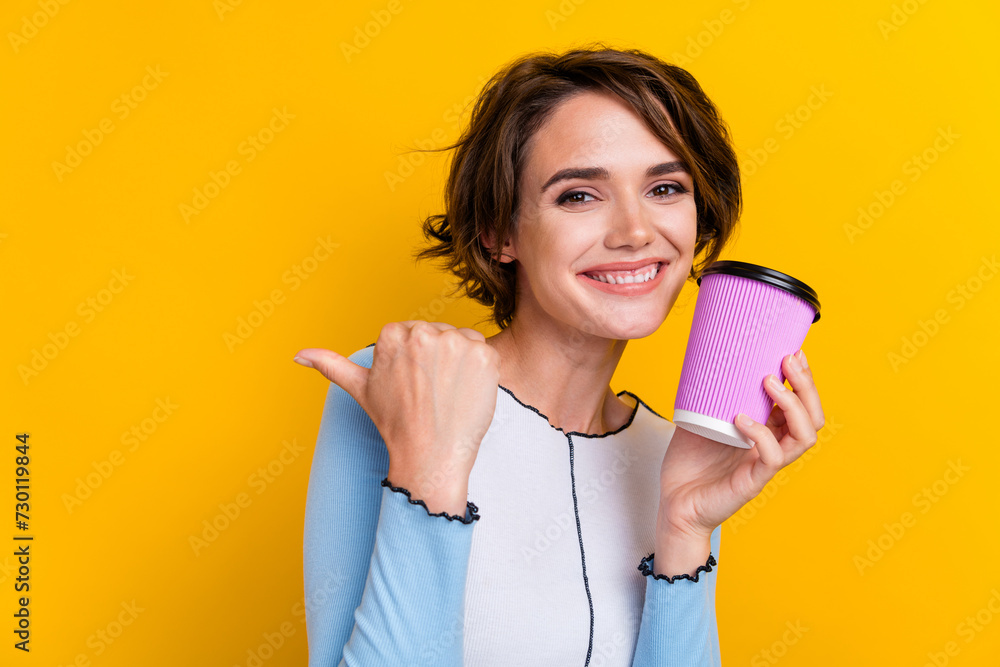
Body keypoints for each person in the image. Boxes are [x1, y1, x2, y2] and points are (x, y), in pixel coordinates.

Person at [293, 44, 825, 667]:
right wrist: (430, 472)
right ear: (501, 233)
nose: (635, 231)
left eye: (664, 187)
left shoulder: (672, 451)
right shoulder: (405, 387)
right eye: (579, 195)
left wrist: (685, 529)